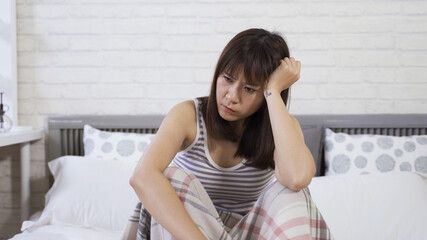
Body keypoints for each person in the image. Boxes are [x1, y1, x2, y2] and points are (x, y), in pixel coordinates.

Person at [125, 28, 333, 240]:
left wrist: (273, 92)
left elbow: (297, 178)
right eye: (227, 79)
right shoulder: (188, 115)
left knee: (291, 192)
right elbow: (142, 176)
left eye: (249, 89)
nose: (231, 96)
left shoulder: (279, 127)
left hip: (247, 233)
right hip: (191, 232)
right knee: (171, 177)